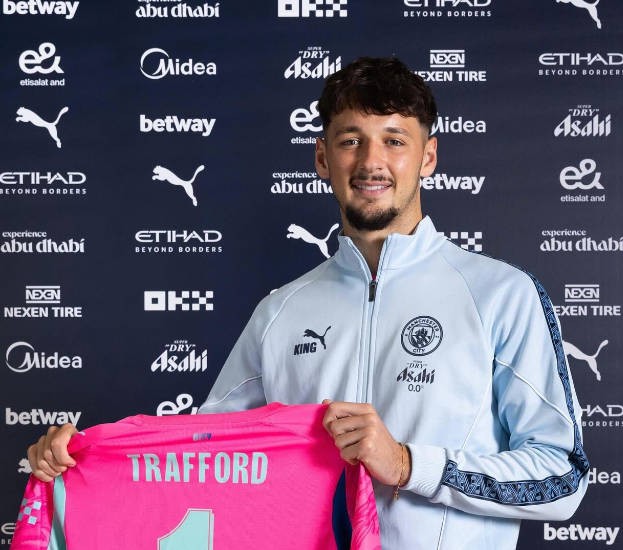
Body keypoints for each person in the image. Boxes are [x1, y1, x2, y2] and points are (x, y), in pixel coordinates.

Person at [27, 56, 589, 549]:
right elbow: (199, 463)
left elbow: (562, 477)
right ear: (323, 158)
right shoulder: (280, 312)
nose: (371, 161)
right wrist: (82, 458)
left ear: (428, 157)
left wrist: (407, 464)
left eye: (395, 140)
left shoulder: (501, 295)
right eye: (350, 140)